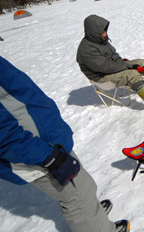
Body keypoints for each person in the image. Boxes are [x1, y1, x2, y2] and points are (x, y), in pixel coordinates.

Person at [0, 56, 130, 232]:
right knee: (76, 197)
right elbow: (4, 134)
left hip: (45, 138)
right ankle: (93, 223)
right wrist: (48, 157)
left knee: (83, 187)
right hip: (35, 149)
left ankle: (92, 212)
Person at [76, 15, 144, 112]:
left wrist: (126, 63)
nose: (105, 33)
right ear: (94, 32)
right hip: (102, 78)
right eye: (102, 31)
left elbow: (113, 56)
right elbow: (106, 67)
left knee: (143, 63)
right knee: (132, 74)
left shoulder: (100, 40)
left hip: (113, 68)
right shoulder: (86, 50)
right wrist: (129, 66)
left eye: (105, 31)